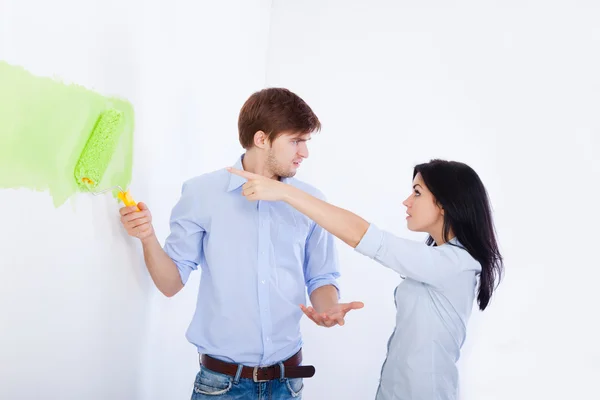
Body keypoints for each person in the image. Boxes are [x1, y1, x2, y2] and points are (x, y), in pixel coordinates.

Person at [119, 88, 363, 399]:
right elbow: (170, 283)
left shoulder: (311, 202)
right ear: (262, 139)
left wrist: (328, 309)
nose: (304, 152)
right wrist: (147, 236)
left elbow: (322, 278)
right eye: (296, 141)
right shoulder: (202, 193)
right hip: (221, 387)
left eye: (306, 142)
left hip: (287, 384)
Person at [227, 159, 504, 400]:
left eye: (417, 193)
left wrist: (286, 193)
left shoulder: (456, 264)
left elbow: (367, 237)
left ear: (444, 204)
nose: (407, 201)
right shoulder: (437, 258)